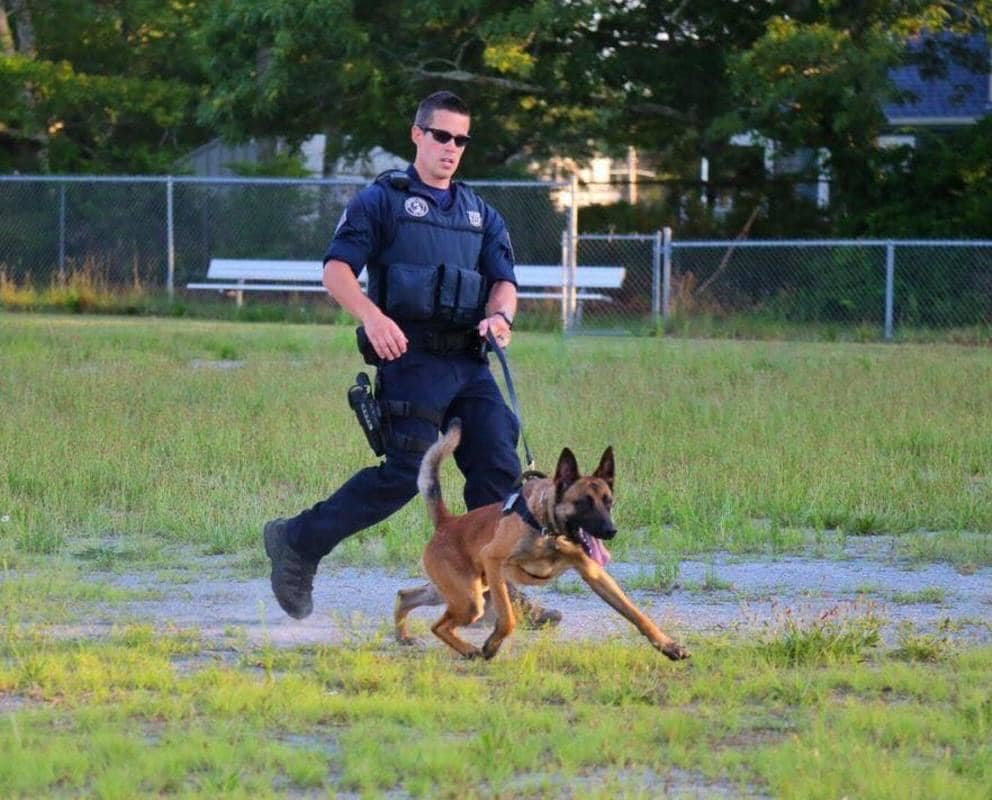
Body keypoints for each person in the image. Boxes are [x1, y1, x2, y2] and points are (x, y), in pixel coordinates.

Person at [264, 90, 559, 626]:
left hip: (470, 364)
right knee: (406, 474)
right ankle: (296, 542)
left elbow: (504, 284)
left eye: (461, 139)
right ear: (417, 135)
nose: (451, 148)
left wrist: (501, 318)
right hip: (410, 358)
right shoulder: (383, 201)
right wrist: (372, 318)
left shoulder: (480, 213)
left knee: (498, 468)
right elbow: (336, 270)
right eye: (441, 135)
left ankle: (498, 595)